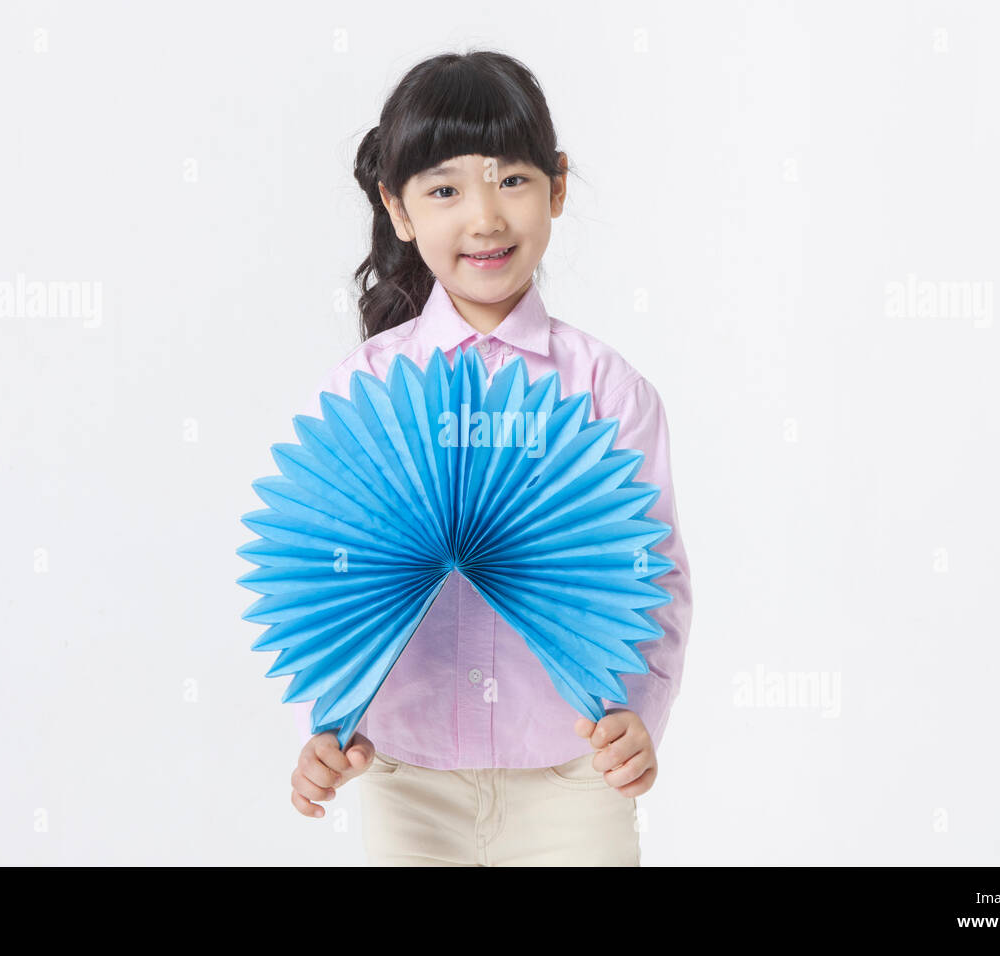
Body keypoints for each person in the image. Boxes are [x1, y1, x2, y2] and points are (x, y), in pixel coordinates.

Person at [285, 49, 692, 866]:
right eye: (444, 189)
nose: (484, 217)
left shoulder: (607, 393)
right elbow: (331, 575)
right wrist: (328, 725)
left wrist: (638, 715)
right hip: (409, 779)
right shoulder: (367, 388)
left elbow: (655, 573)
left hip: (574, 771)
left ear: (558, 187)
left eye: (511, 180)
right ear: (396, 209)